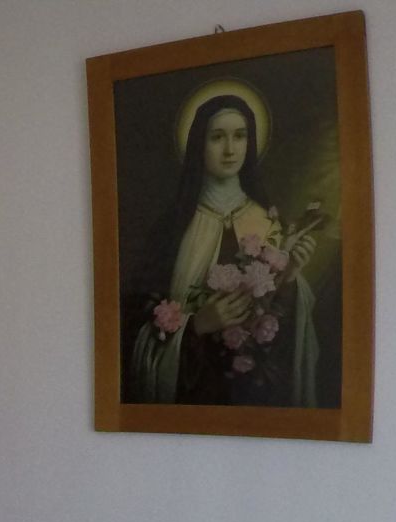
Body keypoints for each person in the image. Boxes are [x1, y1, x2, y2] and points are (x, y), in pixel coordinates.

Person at [127, 86, 323, 406]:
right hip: (193, 393)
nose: (230, 149)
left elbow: (282, 334)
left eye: (240, 136)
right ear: (198, 144)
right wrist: (197, 325)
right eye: (217, 137)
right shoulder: (172, 228)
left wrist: (289, 278)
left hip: (253, 395)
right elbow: (138, 324)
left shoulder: (269, 223)